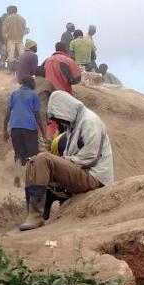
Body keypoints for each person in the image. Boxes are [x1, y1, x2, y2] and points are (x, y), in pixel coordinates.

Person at [19, 90, 113, 231]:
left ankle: (36, 217)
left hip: (95, 177)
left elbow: (90, 157)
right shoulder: (75, 124)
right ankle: (34, 216)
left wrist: (62, 161)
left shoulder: (90, 121)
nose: (58, 123)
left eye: (58, 118)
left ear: (65, 109)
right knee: (33, 162)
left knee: (44, 158)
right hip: (83, 171)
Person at [3, 76, 44, 188]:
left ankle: (17, 175)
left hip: (15, 127)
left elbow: (7, 112)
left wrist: (4, 130)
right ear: (31, 84)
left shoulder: (14, 94)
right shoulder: (33, 95)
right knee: (33, 155)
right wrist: (44, 133)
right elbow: (38, 115)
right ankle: (31, 181)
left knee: (19, 155)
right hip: (29, 127)